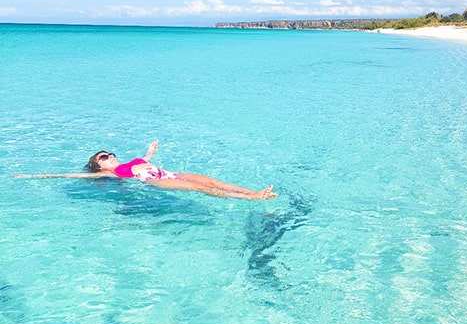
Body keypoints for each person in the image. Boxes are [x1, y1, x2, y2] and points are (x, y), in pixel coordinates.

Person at [13, 140, 277, 200]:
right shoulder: (110, 174)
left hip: (172, 173)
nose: (111, 156)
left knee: (215, 182)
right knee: (201, 189)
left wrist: (151, 149)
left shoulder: (133, 160)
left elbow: (147, 157)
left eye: (110, 152)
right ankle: (252, 198)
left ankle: (255, 192)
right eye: (105, 156)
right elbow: (72, 175)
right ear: (100, 165)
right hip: (157, 183)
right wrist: (32, 175)